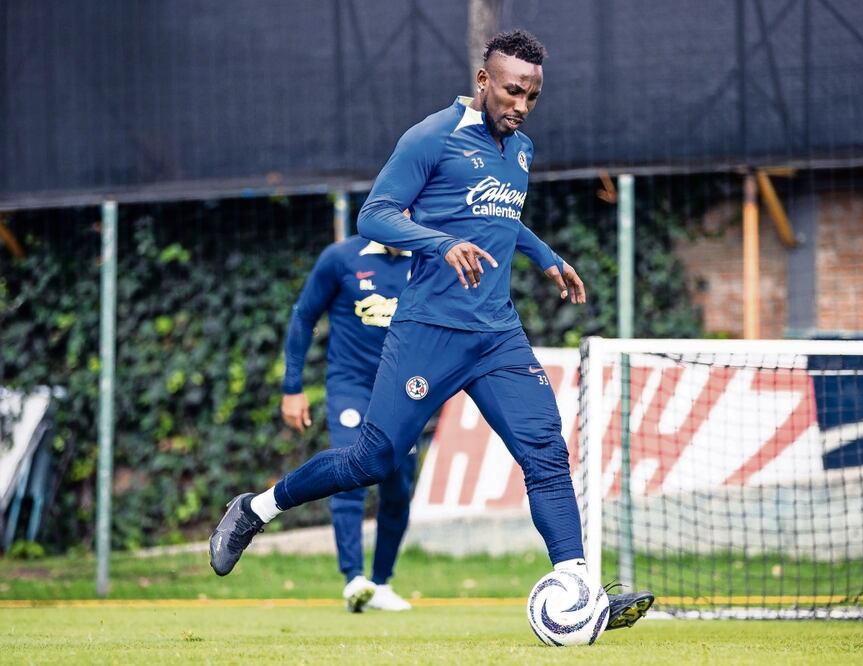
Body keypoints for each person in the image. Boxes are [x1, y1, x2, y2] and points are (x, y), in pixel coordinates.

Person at [210, 29, 653, 630]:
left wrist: (546, 256)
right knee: (371, 461)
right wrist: (440, 244)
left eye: (532, 96)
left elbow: (501, 217)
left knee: (546, 452)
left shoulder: (520, 150)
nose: (520, 105)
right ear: (483, 81)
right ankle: (255, 509)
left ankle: (576, 588)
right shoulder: (431, 137)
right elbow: (376, 213)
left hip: (496, 335)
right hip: (427, 331)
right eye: (511, 91)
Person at [280, 234, 415, 612]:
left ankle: (381, 583)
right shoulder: (340, 257)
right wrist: (292, 387)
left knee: (399, 487)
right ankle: (354, 578)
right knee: (350, 472)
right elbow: (304, 315)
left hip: (403, 391)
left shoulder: (428, 256)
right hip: (350, 386)